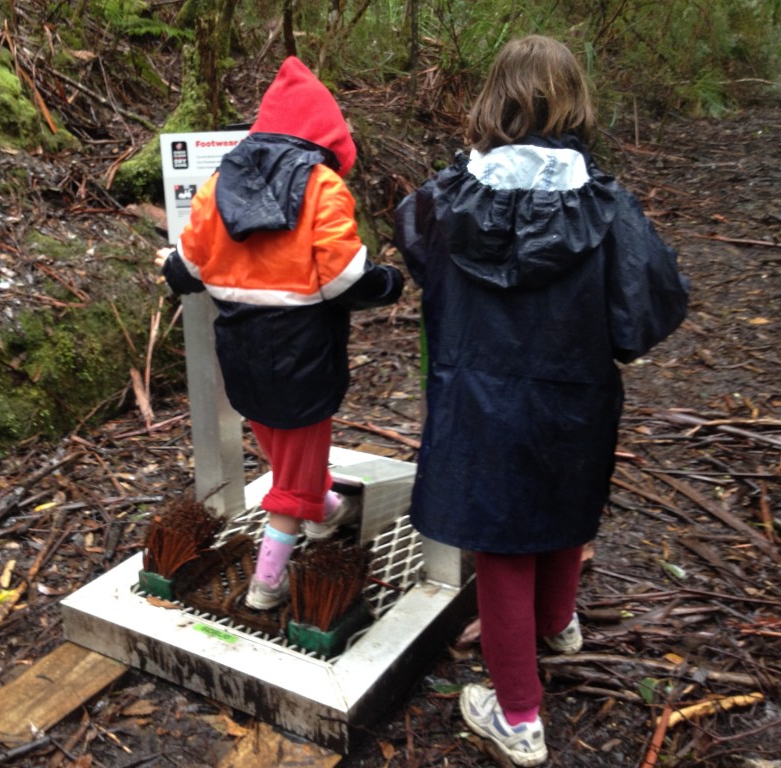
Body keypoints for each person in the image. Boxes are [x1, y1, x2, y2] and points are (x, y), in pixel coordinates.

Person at [393, 35, 688, 766]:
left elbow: (420, 255)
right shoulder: (608, 207)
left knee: (501, 543)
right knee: (560, 504)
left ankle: (518, 713)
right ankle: (554, 630)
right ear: (574, 100)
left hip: (476, 398)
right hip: (573, 396)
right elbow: (650, 309)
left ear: (494, 100)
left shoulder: (441, 201)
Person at [156, 56, 404, 611]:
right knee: (289, 483)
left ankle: (326, 513)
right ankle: (267, 583)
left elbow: (187, 268)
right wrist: (390, 283)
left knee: (284, 451)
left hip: (240, 351)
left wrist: (168, 265)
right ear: (328, 135)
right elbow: (344, 280)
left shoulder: (217, 183)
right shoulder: (322, 186)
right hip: (302, 354)